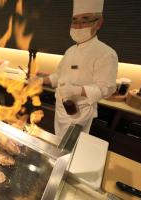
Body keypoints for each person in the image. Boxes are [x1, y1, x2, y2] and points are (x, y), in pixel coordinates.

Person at [42, 0, 118, 139]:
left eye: (85, 20)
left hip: (78, 114)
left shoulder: (106, 53)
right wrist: (42, 80)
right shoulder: (70, 50)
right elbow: (60, 75)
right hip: (60, 109)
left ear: (99, 23)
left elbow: (107, 88)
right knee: (57, 141)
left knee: (71, 148)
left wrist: (77, 90)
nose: (78, 26)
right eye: (75, 20)